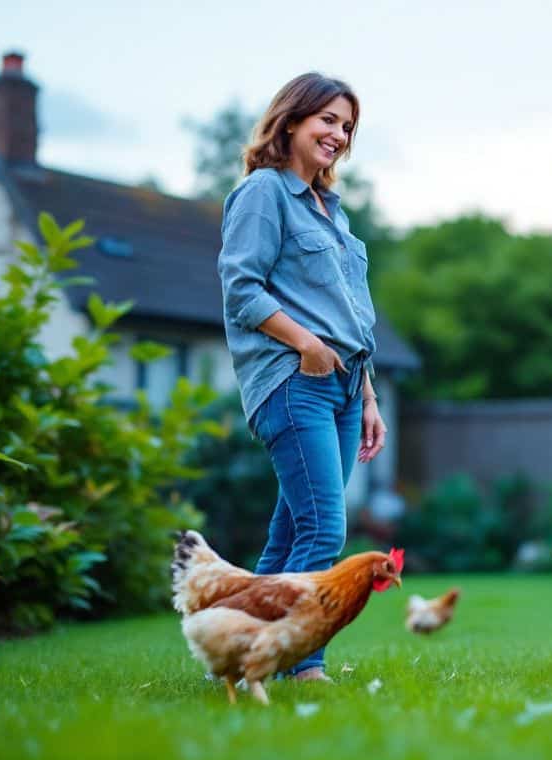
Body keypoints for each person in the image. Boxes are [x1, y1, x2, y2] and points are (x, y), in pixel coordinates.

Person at [217, 72, 386, 682]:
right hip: (293, 381)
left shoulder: (333, 214)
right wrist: (306, 344)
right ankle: (302, 664)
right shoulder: (263, 193)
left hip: (343, 386)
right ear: (290, 121)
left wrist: (367, 395)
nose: (338, 134)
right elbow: (241, 289)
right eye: (328, 120)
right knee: (323, 528)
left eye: (347, 126)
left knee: (291, 532)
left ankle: (237, 653)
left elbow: (352, 319)